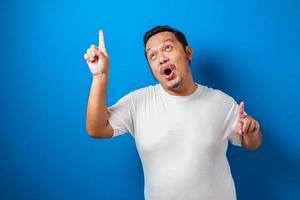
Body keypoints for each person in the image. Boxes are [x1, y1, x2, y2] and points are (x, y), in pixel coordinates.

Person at [84, 25, 263, 200]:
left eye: (167, 48)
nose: (161, 58)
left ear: (188, 53)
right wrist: (100, 76)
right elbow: (97, 129)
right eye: (152, 56)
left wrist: (252, 132)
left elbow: (251, 143)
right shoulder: (138, 102)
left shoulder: (221, 102)